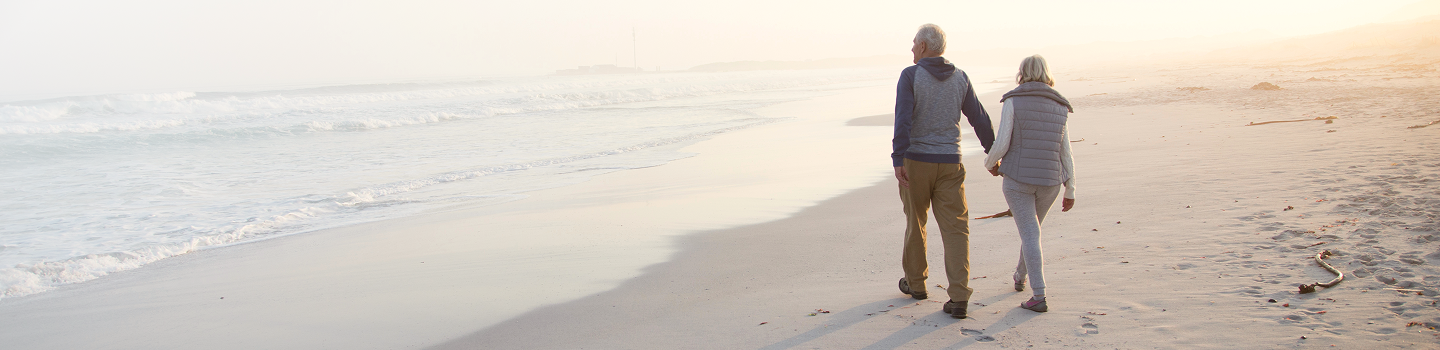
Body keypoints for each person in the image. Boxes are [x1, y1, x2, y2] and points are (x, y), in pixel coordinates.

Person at [892, 23, 995, 319]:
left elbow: (903, 119)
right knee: (956, 229)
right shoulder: (960, 77)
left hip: (916, 162)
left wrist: (898, 158)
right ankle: (959, 297)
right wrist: (993, 153)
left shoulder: (911, 76)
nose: (911, 48)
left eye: (914, 43)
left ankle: (917, 284)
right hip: (951, 162)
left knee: (916, 222)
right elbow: (979, 118)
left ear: (924, 46)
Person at [983, 54, 1076, 313]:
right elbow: (1065, 151)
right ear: (1047, 73)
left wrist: (990, 164)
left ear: (1021, 73)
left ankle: (1039, 295)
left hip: (1018, 181)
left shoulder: (1013, 100)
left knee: (1030, 233)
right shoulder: (1060, 104)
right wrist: (1071, 188)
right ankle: (1020, 276)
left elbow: (1002, 143)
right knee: (1032, 231)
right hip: (1051, 182)